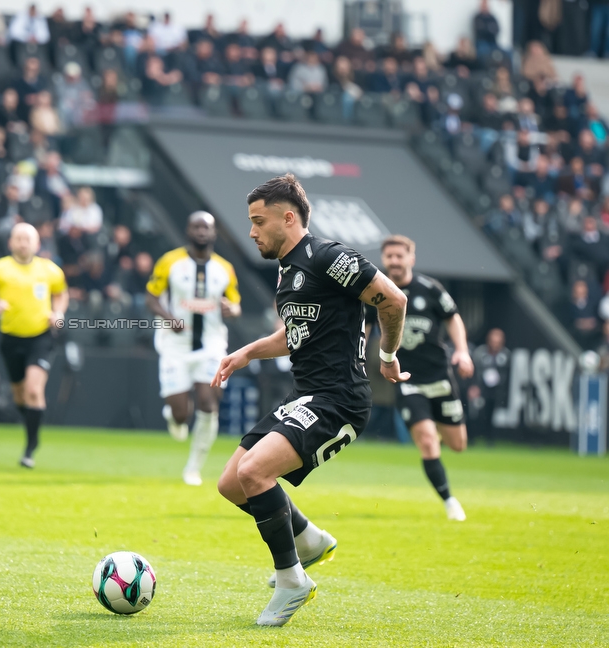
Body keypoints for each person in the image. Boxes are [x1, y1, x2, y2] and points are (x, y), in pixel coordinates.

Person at [211, 174, 408, 627]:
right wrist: (246, 352)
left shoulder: (328, 256)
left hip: (338, 400)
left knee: (253, 471)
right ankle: (309, 540)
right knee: (231, 484)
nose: (252, 231)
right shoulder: (288, 270)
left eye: (258, 221)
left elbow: (392, 300)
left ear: (288, 217)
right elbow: (295, 334)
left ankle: (292, 580)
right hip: (306, 395)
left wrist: (388, 356)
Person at [377, 235, 472, 521]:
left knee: (457, 445)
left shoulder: (429, 289)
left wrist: (463, 352)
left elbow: (452, 317)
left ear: (411, 259)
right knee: (428, 442)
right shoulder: (377, 291)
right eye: (389, 256)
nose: (394, 261)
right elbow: (366, 327)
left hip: (440, 377)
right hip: (407, 380)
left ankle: (433, 430)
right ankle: (449, 501)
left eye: (399, 256)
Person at [145, 211, 241, 485]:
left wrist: (230, 308)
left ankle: (193, 468)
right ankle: (174, 417)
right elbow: (151, 297)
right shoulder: (169, 262)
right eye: (196, 226)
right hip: (174, 346)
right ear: (187, 231)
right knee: (180, 413)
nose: (201, 231)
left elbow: (235, 304)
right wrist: (168, 317)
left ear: (214, 234)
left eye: (206, 227)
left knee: (209, 404)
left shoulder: (224, 268)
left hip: (211, 345)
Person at [0, 223, 68, 468]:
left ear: (37, 244)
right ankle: (31, 423)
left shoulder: (50, 270)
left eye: (28, 238)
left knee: (34, 390)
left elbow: (61, 293)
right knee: (20, 395)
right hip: (11, 339)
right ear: (11, 243)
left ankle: (30, 446)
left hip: (41, 337)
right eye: (19, 238)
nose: (24, 242)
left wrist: (58, 312)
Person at [469, 328, 510, 446]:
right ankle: (473, 437)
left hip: (495, 390)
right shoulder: (480, 353)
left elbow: (506, 375)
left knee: (491, 414)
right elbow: (474, 371)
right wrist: (474, 386)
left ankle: (489, 439)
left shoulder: (505, 355)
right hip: (480, 389)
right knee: (476, 413)